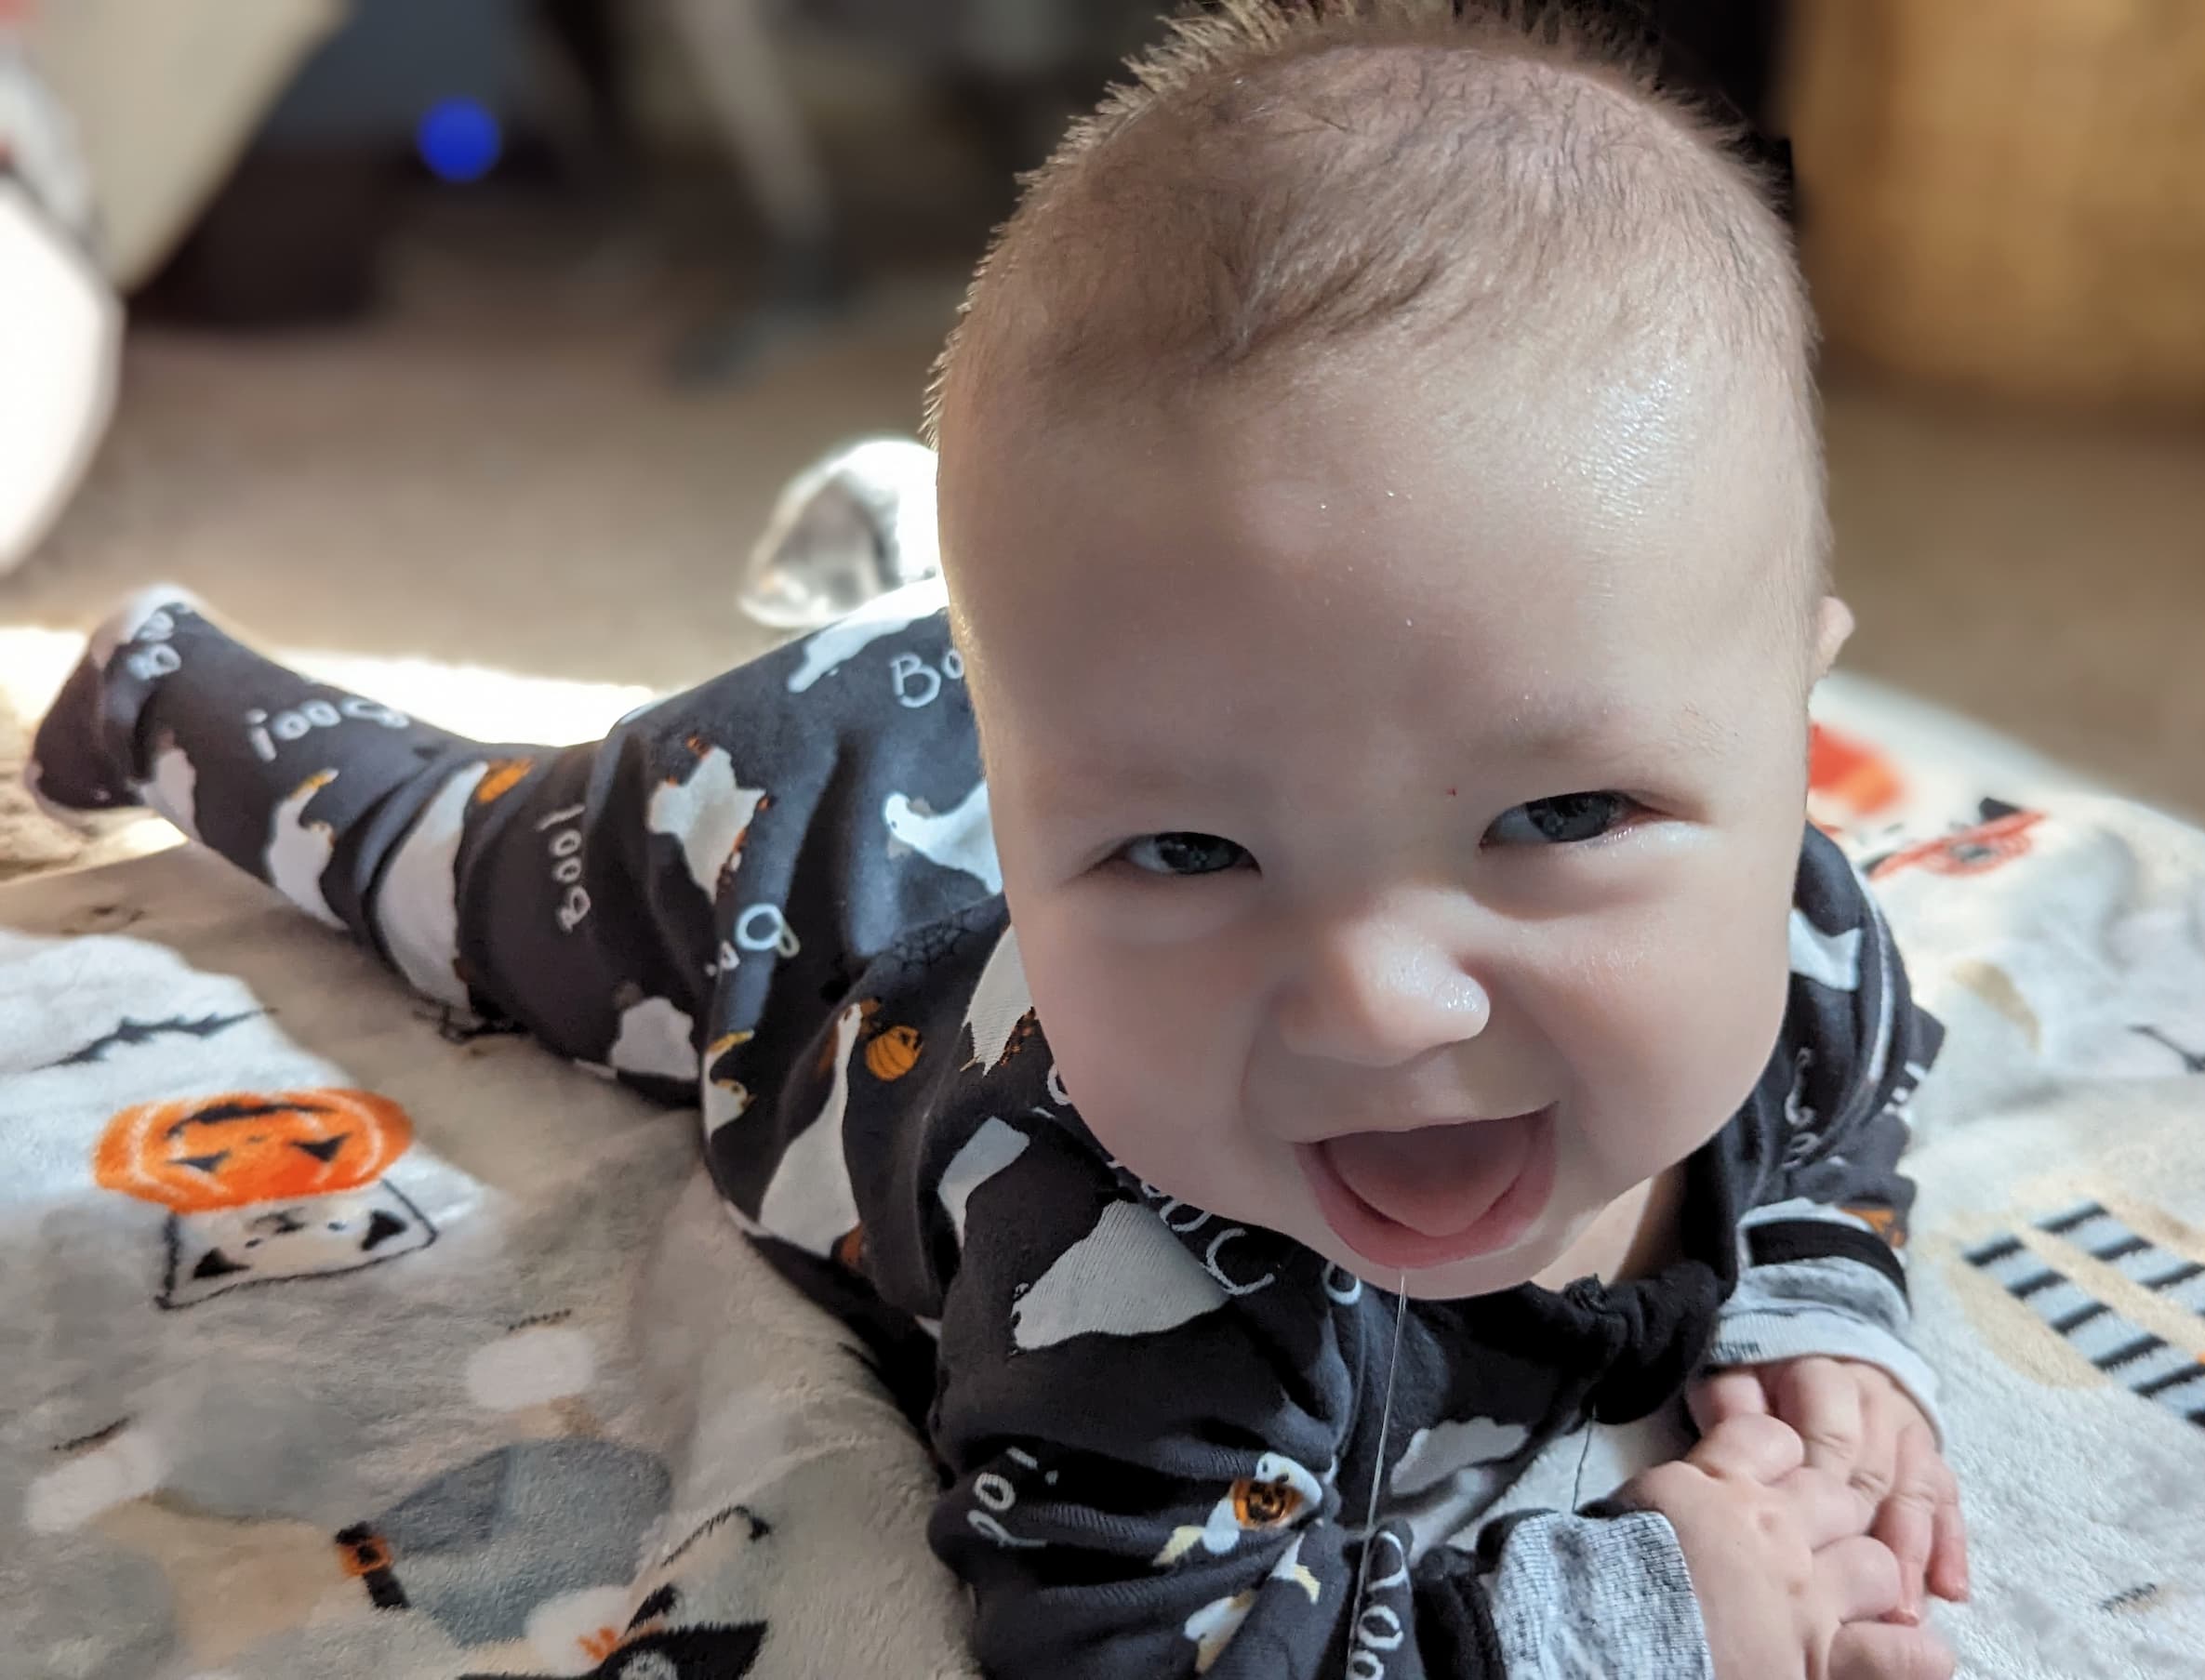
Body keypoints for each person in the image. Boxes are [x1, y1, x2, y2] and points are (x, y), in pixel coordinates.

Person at [29, 4, 1969, 1674]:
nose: (1379, 1003)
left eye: (1561, 814)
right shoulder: (1127, 1280)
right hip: (793, 845)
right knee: (435, 860)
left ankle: (972, 602)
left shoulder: (1797, 941)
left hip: (1034, 709)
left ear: (1792, 744)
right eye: (1187, 853)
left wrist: (1818, 1294)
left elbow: (1842, 1125)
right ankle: (169, 682)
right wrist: (1658, 1607)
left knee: (1148, 662)